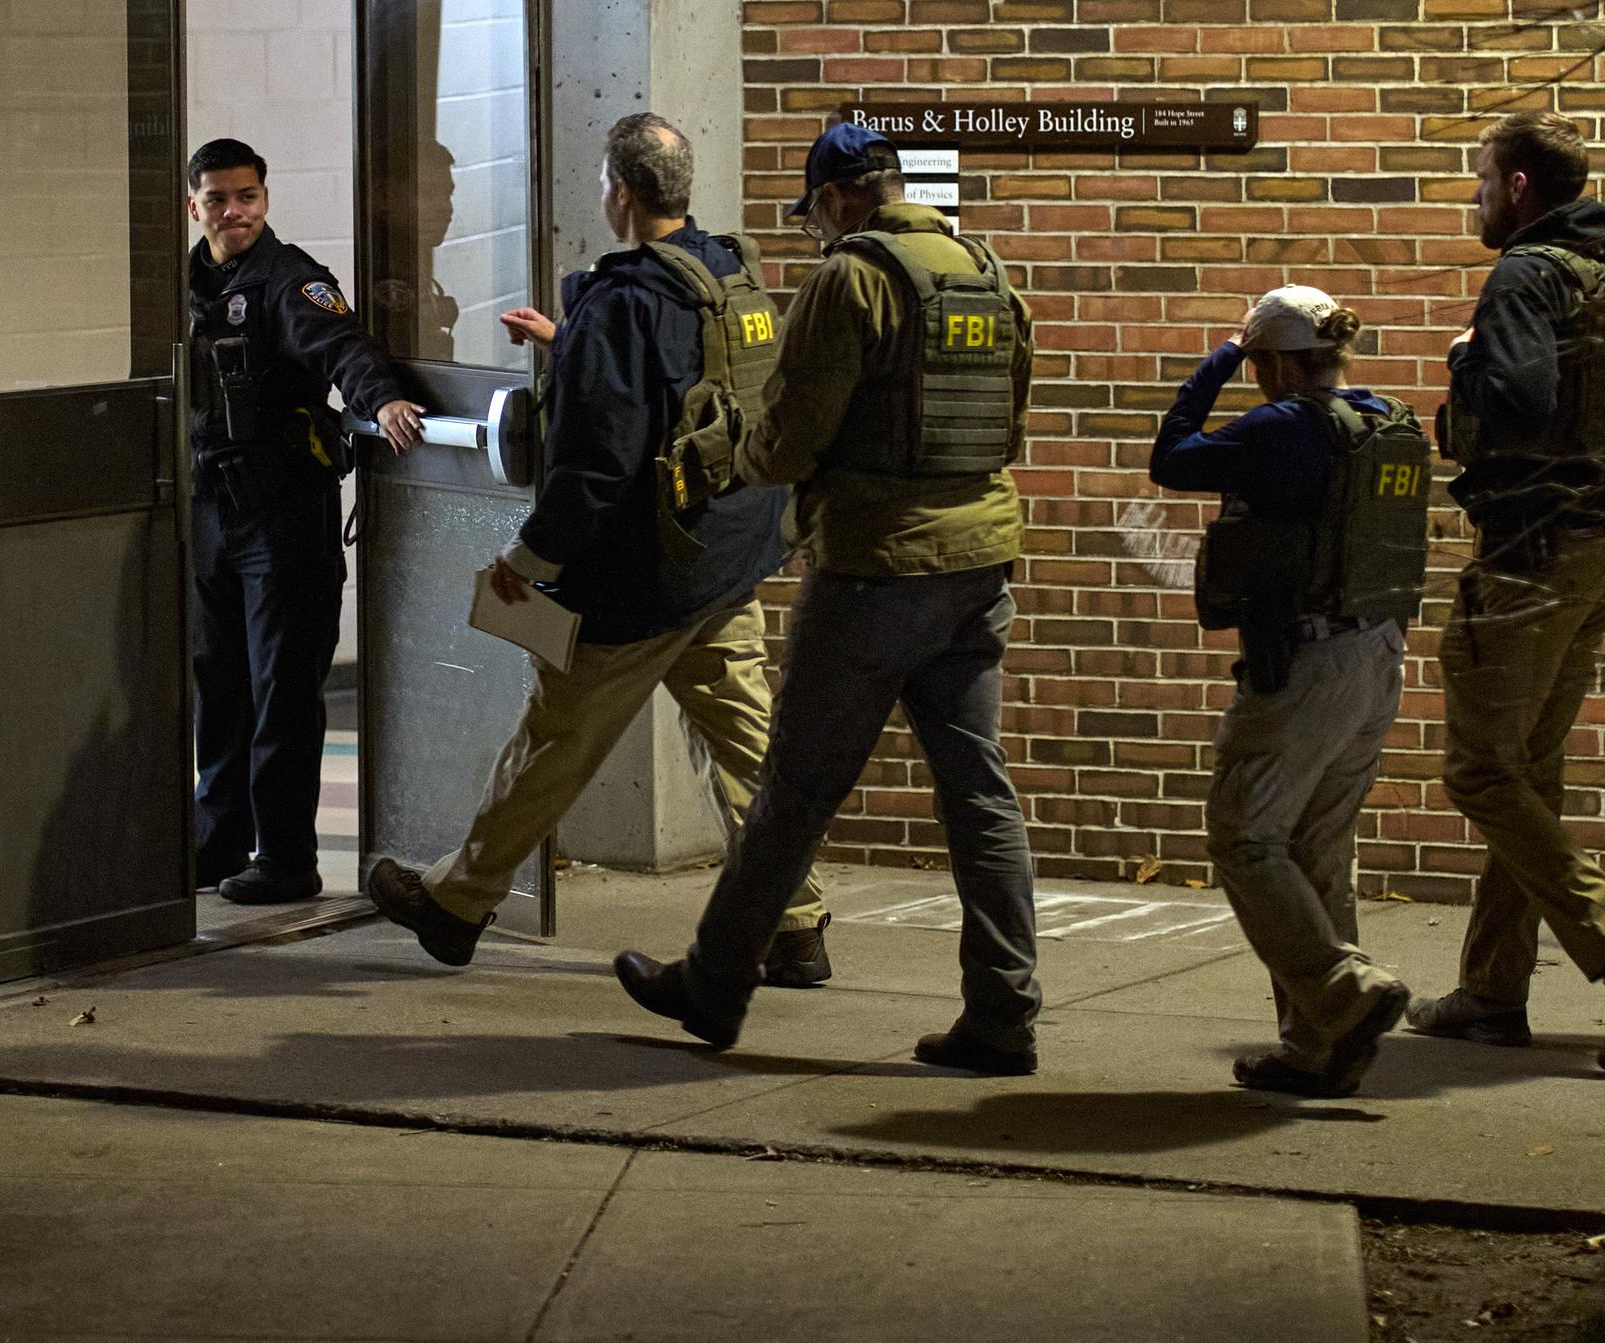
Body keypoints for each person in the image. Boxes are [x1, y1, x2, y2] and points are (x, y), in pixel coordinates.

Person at [612, 121, 1042, 1074]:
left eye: (815, 214)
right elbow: (1011, 415)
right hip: (979, 565)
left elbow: (793, 440)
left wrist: (725, 451)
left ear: (842, 198)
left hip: (876, 570)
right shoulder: (985, 268)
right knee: (980, 795)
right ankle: (1004, 1013)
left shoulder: (850, 279)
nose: (815, 231)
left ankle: (714, 985)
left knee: (792, 793)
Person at [363, 114, 831, 978]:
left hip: (644, 579)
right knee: (746, 741)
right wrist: (570, 345)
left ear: (618, 190)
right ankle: (794, 923)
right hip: (729, 555)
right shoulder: (728, 271)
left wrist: (526, 564)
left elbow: (595, 470)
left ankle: (458, 903)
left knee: (554, 739)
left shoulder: (624, 301)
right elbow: (689, 382)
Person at [1411, 109, 1605, 1069]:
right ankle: (1493, 993)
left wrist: (1465, 382)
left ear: (1522, 189)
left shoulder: (1525, 276)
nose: (1477, 197)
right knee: (1528, 768)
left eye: (1484, 182)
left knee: (1480, 772)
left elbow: (1522, 409)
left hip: (1530, 558)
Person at [1152, 287, 1430, 1098]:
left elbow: (1171, 457)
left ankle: (1345, 991)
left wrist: (1221, 356)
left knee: (1244, 837)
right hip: (1377, 654)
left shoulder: (1280, 425)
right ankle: (1319, 1047)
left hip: (1305, 667)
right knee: (1318, 849)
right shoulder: (1382, 419)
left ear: (1271, 360)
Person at [186, 137, 425, 904]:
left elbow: (341, 349)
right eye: (218, 199)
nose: (235, 212)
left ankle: (287, 857)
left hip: (283, 517)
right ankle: (217, 840)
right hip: (211, 514)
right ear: (193, 205)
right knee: (219, 686)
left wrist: (379, 398)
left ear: (266, 198)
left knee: (281, 690)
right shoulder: (181, 283)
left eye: (247, 196)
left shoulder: (289, 282)